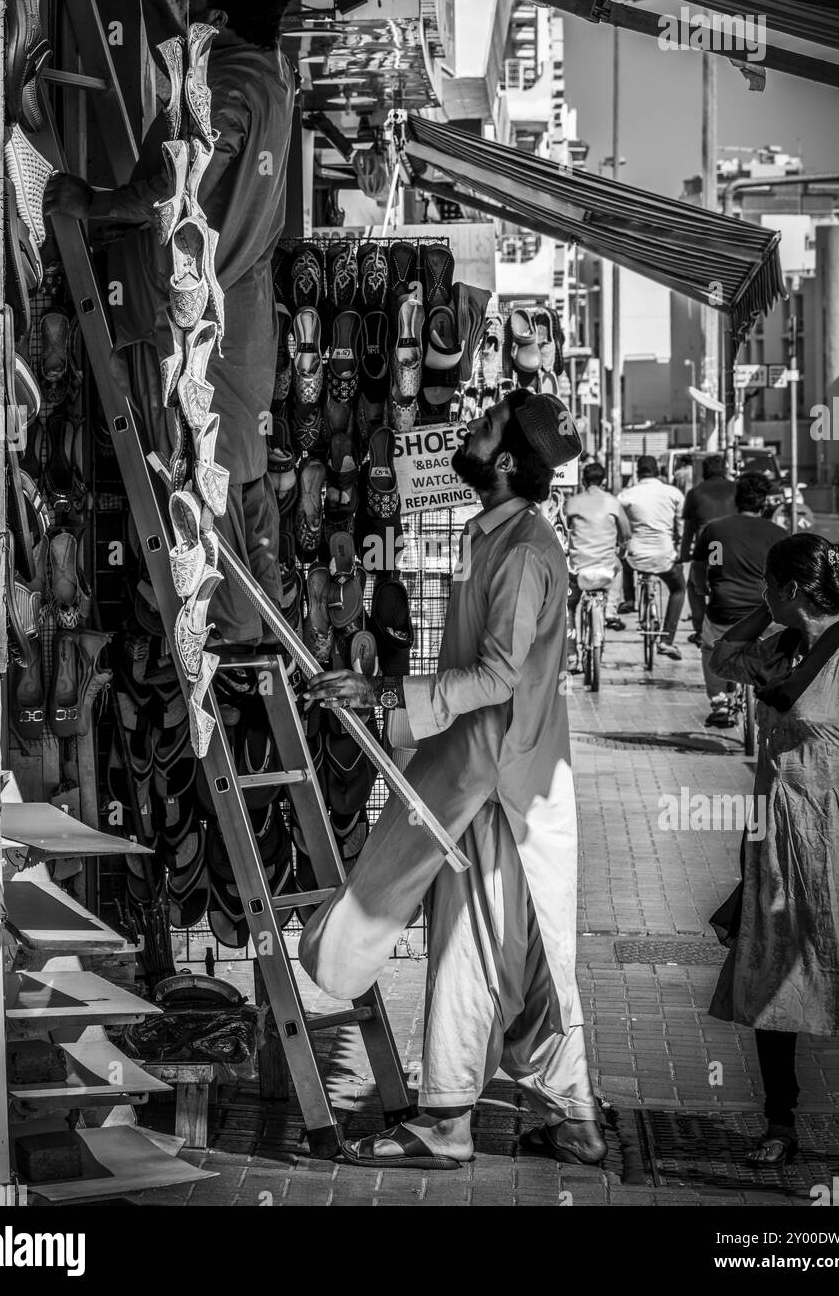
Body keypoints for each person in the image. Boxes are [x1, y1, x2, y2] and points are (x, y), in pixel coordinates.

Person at [299, 391, 607, 1169]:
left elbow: (499, 675)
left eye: (482, 428)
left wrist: (384, 695)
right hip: (494, 773)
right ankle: (569, 1114)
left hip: (499, 787)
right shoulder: (497, 536)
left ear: (504, 462)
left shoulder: (525, 551)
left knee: (470, 946)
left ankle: (443, 1121)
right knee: (532, 951)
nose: (465, 433)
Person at [44, 0, 298, 657]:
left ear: (216, 7)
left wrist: (93, 201)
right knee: (237, 470)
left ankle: (232, 630)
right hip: (243, 313)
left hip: (198, 319)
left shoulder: (233, 87)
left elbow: (172, 185)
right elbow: (190, 64)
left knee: (200, 473)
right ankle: (249, 622)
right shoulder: (273, 74)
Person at [708, 533, 839, 1171]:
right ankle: (779, 1123)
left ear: (792, 588)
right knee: (768, 980)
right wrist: (769, 608)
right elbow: (722, 657)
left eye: (770, 583)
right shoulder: (783, 648)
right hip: (776, 849)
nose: (764, 593)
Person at [691, 472, 784, 728]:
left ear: (736, 499)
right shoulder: (779, 534)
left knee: (710, 646)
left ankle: (720, 702)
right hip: (766, 612)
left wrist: (705, 590)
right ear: (764, 502)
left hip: (724, 608)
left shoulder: (715, 530)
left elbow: (704, 570)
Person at [617, 454, 686, 660]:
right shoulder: (673, 493)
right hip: (664, 555)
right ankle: (667, 640)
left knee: (625, 561)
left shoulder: (626, 495)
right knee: (678, 589)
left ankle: (629, 600)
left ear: (638, 473)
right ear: (659, 472)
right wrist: (680, 546)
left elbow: (620, 528)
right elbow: (681, 525)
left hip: (636, 555)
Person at [565, 462, 630, 669]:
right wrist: (620, 548)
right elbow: (626, 534)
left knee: (568, 607)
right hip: (606, 567)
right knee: (620, 566)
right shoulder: (613, 502)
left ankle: (572, 656)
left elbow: (565, 527)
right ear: (603, 481)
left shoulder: (572, 502)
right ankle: (611, 611)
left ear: (583, 481)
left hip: (578, 568)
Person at [680, 454, 736, 646]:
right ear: (725, 470)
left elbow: (688, 530)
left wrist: (684, 554)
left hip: (711, 549)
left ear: (703, 472)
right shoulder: (737, 489)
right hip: (734, 548)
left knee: (694, 586)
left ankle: (699, 629)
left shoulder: (695, 493)